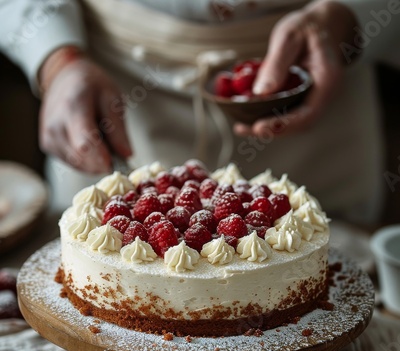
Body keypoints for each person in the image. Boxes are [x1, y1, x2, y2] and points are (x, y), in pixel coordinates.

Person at [1, 0, 399, 223]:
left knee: (317, 258)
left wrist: (352, 16)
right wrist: (58, 59)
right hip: (118, 87)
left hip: (316, 95)